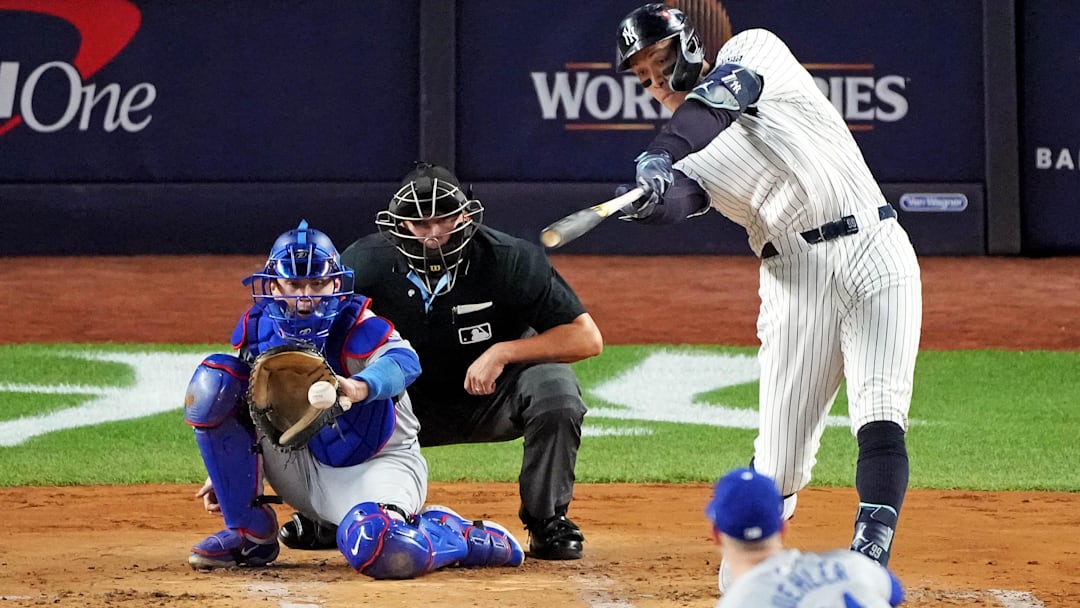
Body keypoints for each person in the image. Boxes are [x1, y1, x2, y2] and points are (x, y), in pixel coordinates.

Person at [613, 2, 923, 576]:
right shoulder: (693, 153)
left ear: (686, 48)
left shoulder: (751, 51)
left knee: (881, 412)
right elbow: (687, 195)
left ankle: (870, 551)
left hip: (875, 247)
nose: (655, 82)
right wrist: (655, 201)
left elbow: (718, 102)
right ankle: (754, 559)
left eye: (659, 63)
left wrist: (662, 154)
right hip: (794, 279)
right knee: (778, 465)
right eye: (643, 76)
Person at [275, 163, 603, 561]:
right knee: (326, 384)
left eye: (443, 220)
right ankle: (328, 515)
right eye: (419, 223)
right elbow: (312, 342)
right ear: (398, 224)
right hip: (398, 409)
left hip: (491, 397)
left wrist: (503, 352)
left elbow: (586, 337)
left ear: (465, 216)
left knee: (556, 390)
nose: (433, 236)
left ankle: (547, 519)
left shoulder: (509, 259)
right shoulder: (366, 263)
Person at [182, 219, 524, 578]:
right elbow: (240, 408)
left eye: (317, 283)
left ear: (335, 282)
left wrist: (359, 386)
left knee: (381, 548)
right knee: (214, 383)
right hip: (297, 461)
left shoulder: (356, 322)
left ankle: (455, 533)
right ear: (274, 283)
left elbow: (404, 362)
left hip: (375, 463)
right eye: (294, 284)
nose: (305, 297)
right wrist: (228, 473)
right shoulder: (260, 326)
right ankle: (249, 534)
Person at [706, 467, 905, 606]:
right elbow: (894, 592)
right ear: (783, 530)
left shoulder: (739, 601)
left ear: (716, 535)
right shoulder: (846, 565)